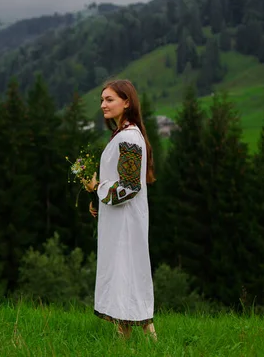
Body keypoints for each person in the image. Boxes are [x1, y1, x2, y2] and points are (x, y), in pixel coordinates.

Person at [82, 79, 157, 341]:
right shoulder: (124, 136)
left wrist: (98, 187)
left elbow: (129, 187)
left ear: (127, 102)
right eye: (102, 100)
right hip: (119, 220)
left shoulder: (128, 138)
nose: (103, 104)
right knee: (123, 271)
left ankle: (148, 337)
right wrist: (98, 198)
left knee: (128, 270)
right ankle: (125, 337)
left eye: (109, 99)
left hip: (126, 222)